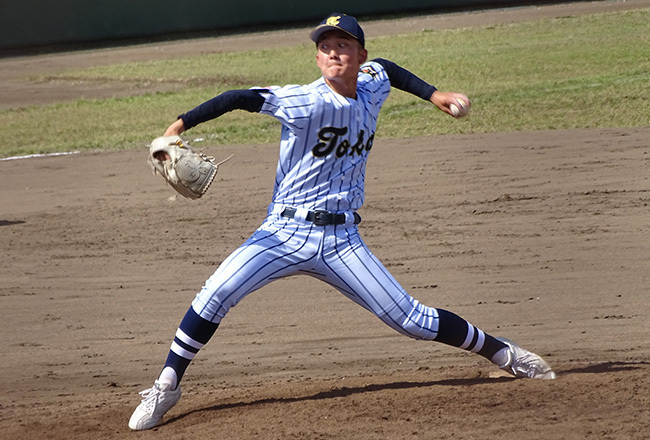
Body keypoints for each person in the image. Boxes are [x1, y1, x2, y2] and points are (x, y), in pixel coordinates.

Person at [129, 12, 555, 431]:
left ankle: (504, 354)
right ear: (317, 59)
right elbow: (238, 97)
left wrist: (434, 95)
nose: (334, 53)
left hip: (342, 241)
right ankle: (166, 385)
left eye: (343, 45)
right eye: (325, 47)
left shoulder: (371, 85)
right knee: (216, 291)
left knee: (411, 319)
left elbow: (387, 70)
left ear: (359, 54)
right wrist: (178, 125)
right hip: (283, 233)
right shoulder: (305, 100)